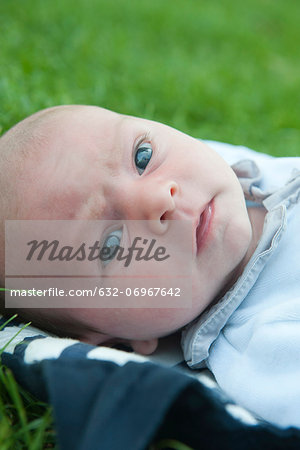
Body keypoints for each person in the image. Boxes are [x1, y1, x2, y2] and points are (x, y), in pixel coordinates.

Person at [0, 105, 300, 427]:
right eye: (110, 246)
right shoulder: (263, 352)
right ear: (119, 342)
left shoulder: (231, 169)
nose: (159, 199)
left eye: (142, 157)